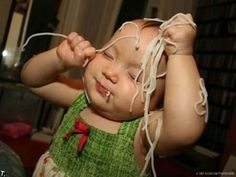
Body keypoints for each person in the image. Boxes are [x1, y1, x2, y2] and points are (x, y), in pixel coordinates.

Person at [21, 13, 207, 177]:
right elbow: (33, 81)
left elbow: (184, 130)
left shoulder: (143, 131)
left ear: (156, 103)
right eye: (108, 55)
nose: (110, 72)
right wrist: (58, 60)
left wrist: (181, 55)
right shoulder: (82, 98)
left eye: (135, 76)